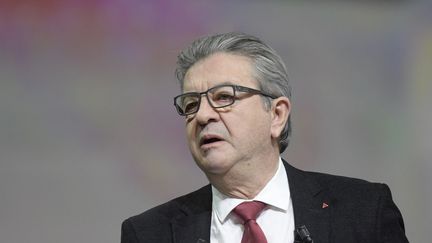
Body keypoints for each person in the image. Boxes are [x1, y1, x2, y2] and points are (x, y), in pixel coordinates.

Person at [121, 32, 408, 243]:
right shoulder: (149, 233)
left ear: (277, 115)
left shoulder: (364, 210)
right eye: (191, 104)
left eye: (223, 97)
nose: (202, 116)